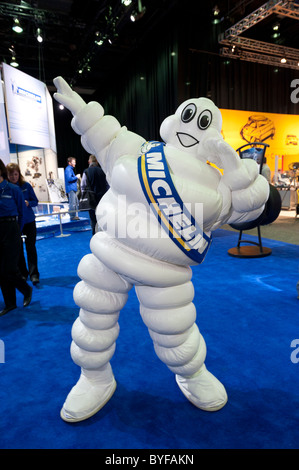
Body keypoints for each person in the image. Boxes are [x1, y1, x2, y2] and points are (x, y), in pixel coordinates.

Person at [54, 77, 270, 423]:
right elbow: (106, 136)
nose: (191, 127)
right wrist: (83, 113)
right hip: (110, 250)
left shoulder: (217, 186)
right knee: (93, 319)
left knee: (176, 329)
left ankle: (192, 374)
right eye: (188, 116)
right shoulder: (140, 150)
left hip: (166, 271)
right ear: (171, 120)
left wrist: (234, 169)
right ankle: (94, 377)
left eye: (203, 123)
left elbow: (250, 207)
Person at [0, 159, 33, 317]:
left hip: (11, 229)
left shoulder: (13, 189)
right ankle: (10, 304)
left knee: (9, 269)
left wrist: (17, 232)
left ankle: (26, 289)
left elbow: (21, 212)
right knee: (1, 270)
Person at [7, 163, 40, 285]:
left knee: (31, 248)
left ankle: (34, 274)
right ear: (7, 175)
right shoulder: (6, 188)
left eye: (16, 174)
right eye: (11, 174)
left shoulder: (26, 186)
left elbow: (35, 201)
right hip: (15, 223)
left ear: (19, 174)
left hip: (29, 221)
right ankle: (23, 273)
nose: (14, 177)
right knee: (18, 249)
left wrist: (28, 203)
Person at [81, 155, 108, 234]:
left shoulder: (86, 171)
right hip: (102, 198)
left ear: (89, 161)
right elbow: (107, 185)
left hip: (91, 199)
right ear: (97, 162)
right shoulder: (103, 170)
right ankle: (104, 234)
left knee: (93, 219)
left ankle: (95, 235)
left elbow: (83, 185)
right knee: (102, 217)